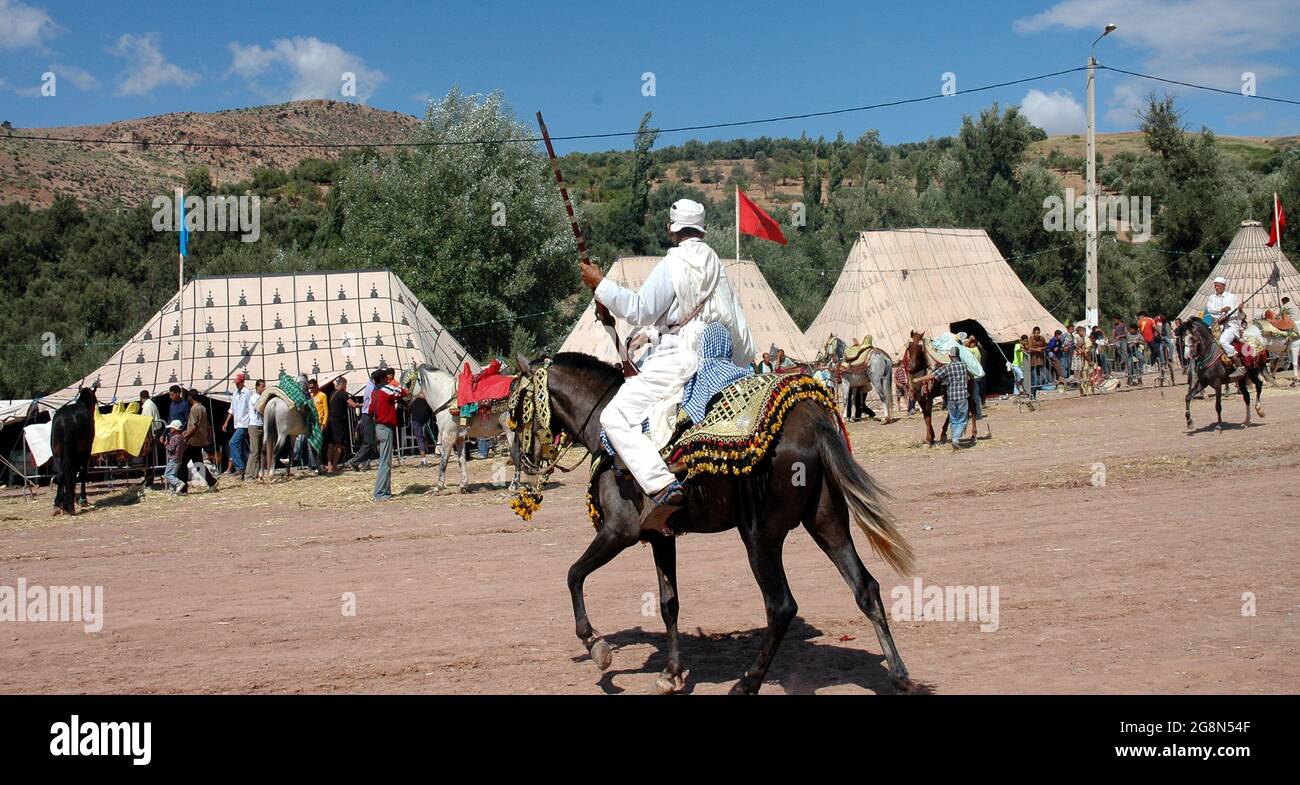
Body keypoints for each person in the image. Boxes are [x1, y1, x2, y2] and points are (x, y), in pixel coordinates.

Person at [581, 198, 754, 531]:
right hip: (715, 349)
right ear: (700, 228)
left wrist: (599, 283)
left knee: (613, 417)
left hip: (679, 356)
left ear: (671, 229)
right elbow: (736, 322)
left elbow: (641, 310)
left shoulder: (672, 264)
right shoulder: (716, 264)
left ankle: (661, 484)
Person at [917, 346, 970, 451]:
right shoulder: (964, 366)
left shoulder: (947, 367)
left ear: (950, 356)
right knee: (962, 420)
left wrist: (917, 379)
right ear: (958, 355)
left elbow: (933, 376)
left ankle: (955, 439)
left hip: (951, 398)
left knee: (954, 420)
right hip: (962, 397)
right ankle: (955, 439)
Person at [370, 368, 408, 501]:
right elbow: (402, 392)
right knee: (385, 461)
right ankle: (380, 493)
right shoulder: (385, 389)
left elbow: (370, 409)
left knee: (383, 459)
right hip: (385, 428)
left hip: (378, 427)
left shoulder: (374, 392)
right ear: (384, 379)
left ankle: (385, 490)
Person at [1206, 276, 1246, 380]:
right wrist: (1221, 310)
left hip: (1231, 326)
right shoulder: (1212, 298)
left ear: (1224, 286)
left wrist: (1240, 310)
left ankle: (1239, 366)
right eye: (1215, 286)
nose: (1216, 288)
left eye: (1218, 286)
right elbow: (1210, 310)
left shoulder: (1232, 297)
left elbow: (1239, 315)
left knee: (1223, 341)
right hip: (1216, 325)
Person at [180, 388, 218, 493]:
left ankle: (183, 489)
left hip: (193, 440)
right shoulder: (203, 408)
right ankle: (212, 482)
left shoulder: (194, 409)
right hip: (200, 439)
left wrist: (186, 436)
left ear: (190, 397)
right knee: (198, 463)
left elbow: (194, 426)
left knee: (183, 464)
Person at [345, 372, 379, 471]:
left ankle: (365, 464)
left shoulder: (370, 386)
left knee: (371, 441)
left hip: (367, 415)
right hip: (368, 415)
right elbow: (372, 403)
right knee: (368, 442)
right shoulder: (372, 388)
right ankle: (354, 461)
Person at [222, 372, 252, 477]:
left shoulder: (247, 393)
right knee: (242, 447)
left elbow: (251, 408)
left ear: (242, 382)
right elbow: (232, 409)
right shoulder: (235, 394)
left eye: (238, 383)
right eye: (235, 383)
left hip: (244, 423)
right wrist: (226, 422)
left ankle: (240, 467)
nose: (236, 384)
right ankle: (244, 470)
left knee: (232, 443)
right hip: (237, 423)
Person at [327, 377, 352, 472]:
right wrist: (362, 405)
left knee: (331, 444)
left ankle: (329, 466)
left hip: (330, 420)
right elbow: (352, 404)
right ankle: (334, 466)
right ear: (343, 384)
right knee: (339, 444)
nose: (346, 387)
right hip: (338, 422)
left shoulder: (332, 394)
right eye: (345, 385)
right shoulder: (343, 394)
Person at [244, 379, 265, 481]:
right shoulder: (254, 398)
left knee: (260, 451)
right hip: (254, 426)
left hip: (261, 425)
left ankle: (256, 473)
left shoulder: (262, 397)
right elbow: (260, 408)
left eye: (264, 386)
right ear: (257, 387)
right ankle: (248, 474)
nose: (263, 388)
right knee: (254, 451)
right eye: (262, 386)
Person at [161, 419, 186, 493]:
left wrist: (166, 444)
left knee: (167, 474)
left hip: (173, 458)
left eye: (171, 428)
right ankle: (174, 490)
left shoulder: (174, 438)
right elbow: (185, 447)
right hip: (179, 459)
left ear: (175, 429)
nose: (170, 429)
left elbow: (171, 448)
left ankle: (179, 483)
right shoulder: (182, 437)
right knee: (173, 474)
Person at [1073, 325, 1094, 396]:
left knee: (1086, 375)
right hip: (1079, 359)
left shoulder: (1086, 339)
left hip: (1085, 360)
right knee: (1080, 376)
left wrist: (1087, 357)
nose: (1081, 332)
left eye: (1082, 331)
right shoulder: (1076, 338)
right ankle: (1082, 391)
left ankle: (1088, 391)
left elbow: (1087, 349)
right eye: (1080, 331)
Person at [1026, 327, 1048, 393]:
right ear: (1033, 333)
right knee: (1034, 380)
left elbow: (1046, 346)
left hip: (1040, 361)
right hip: (1032, 361)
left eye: (1038, 333)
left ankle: (1034, 394)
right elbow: (1029, 348)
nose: (1036, 334)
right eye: (1035, 333)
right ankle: (1032, 394)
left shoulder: (1042, 339)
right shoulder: (1030, 339)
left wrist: (1041, 348)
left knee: (1038, 379)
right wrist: (1036, 349)